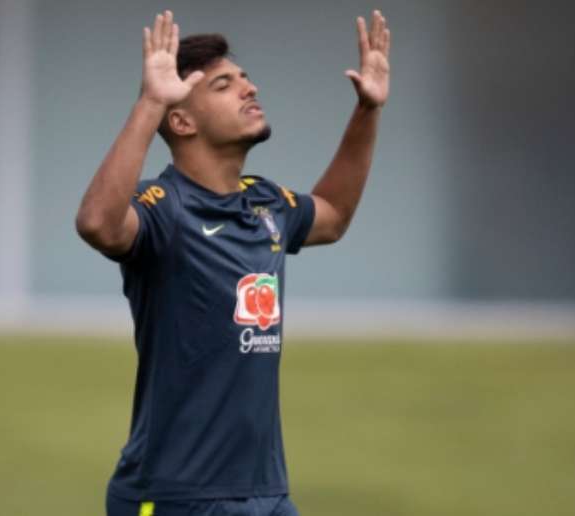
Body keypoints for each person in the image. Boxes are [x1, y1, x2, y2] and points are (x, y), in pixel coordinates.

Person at [75, 9, 390, 516]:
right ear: (181, 120)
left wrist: (368, 111)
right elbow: (98, 223)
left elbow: (331, 216)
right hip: (176, 497)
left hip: (267, 493)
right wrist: (151, 101)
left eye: (244, 78)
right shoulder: (165, 208)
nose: (249, 88)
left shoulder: (263, 203)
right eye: (224, 84)